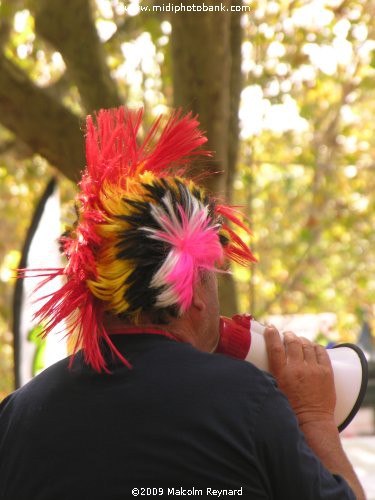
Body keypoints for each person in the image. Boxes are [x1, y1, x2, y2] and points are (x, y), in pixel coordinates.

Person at [0, 108, 365, 500]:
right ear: (192, 291)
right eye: (215, 278)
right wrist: (315, 419)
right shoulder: (250, 401)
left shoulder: (15, 417)